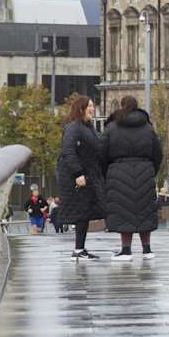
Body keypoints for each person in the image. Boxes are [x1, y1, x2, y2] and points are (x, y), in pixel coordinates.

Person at [101, 95, 163, 261]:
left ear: (121, 106)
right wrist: (151, 169)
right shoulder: (148, 128)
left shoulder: (112, 127)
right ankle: (147, 249)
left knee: (124, 212)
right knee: (145, 211)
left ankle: (126, 250)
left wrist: (107, 172)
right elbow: (158, 153)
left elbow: (102, 153)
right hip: (145, 171)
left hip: (118, 172)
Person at [56, 95, 106, 260]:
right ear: (81, 109)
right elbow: (68, 151)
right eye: (89, 106)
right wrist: (77, 173)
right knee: (81, 213)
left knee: (84, 213)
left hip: (88, 175)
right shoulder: (74, 128)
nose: (92, 108)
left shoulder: (88, 127)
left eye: (92, 105)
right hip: (77, 177)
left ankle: (80, 249)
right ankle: (78, 250)